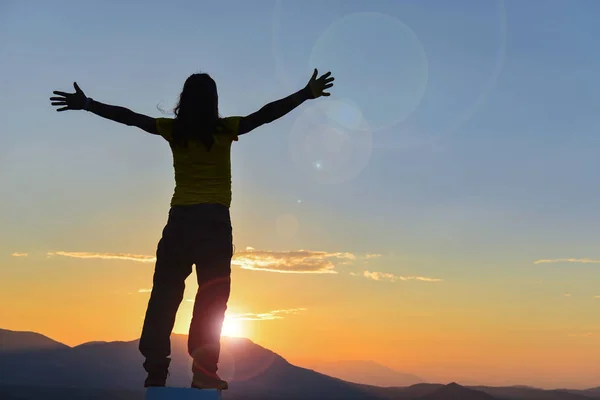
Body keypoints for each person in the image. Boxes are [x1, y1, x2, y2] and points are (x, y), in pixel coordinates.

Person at [49, 69, 334, 390]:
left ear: (184, 101)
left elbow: (130, 118)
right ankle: (203, 373)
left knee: (164, 297)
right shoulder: (225, 128)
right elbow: (266, 115)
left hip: (180, 224)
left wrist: (87, 104)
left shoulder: (173, 130)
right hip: (214, 225)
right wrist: (305, 93)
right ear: (214, 102)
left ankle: (156, 371)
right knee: (212, 299)